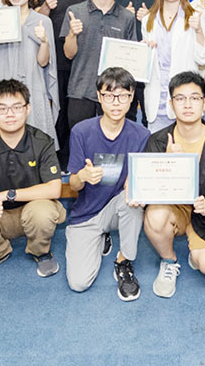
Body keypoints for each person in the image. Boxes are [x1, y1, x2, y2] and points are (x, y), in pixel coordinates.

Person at [140, 71, 205, 298]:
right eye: (180, 98)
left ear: (204, 103)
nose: (187, 104)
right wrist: (168, 163)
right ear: (171, 104)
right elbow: (147, 189)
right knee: (155, 217)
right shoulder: (157, 141)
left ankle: (202, 248)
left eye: (194, 98)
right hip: (174, 210)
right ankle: (169, 261)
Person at [0, 79, 66, 280]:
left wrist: (8, 195)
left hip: (33, 208)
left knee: (43, 213)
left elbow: (54, 189)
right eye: (2, 109)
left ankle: (40, 251)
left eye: (16, 107)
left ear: (27, 109)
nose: (10, 114)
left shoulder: (42, 142)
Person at [64, 67, 150, 301]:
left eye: (122, 95)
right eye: (109, 95)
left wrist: (135, 183)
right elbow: (73, 185)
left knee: (132, 200)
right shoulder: (81, 131)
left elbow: (140, 180)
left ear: (132, 98)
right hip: (87, 213)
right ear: (99, 97)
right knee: (78, 283)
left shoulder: (141, 135)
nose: (116, 102)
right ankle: (103, 235)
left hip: (118, 207)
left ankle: (124, 261)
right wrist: (82, 176)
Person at [0, 0, 59, 147]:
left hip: (33, 82)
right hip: (3, 80)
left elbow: (43, 62)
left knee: (34, 141)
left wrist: (44, 42)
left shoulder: (42, 21)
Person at [37, 0, 95, 168]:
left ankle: (83, 161)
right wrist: (45, 7)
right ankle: (61, 164)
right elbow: (33, 20)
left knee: (83, 116)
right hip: (56, 61)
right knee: (59, 114)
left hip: (87, 63)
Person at [61, 0, 138, 128]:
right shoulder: (75, 12)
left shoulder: (127, 17)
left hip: (115, 94)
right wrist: (72, 34)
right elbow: (68, 54)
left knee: (114, 140)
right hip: (80, 91)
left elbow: (131, 61)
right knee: (80, 139)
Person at [141, 0, 205, 132]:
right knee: (157, 146)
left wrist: (198, 31)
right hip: (157, 100)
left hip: (185, 100)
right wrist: (143, 52)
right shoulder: (148, 20)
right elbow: (145, 68)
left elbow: (203, 58)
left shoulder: (195, 16)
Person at [114, 0, 156, 127]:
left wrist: (151, 18)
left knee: (151, 117)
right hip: (124, 66)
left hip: (152, 67)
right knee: (123, 118)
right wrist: (122, 16)